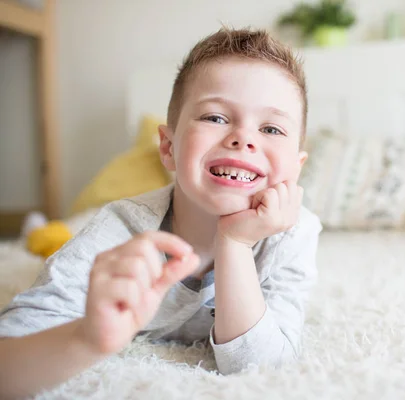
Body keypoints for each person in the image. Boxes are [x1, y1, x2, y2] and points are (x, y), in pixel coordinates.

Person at [0, 27, 322, 399]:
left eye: (271, 127)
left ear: (296, 169)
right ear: (168, 147)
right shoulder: (122, 228)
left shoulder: (295, 234)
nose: (244, 138)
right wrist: (86, 338)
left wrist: (234, 241)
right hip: (116, 234)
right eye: (216, 118)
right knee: (61, 245)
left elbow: (264, 368)